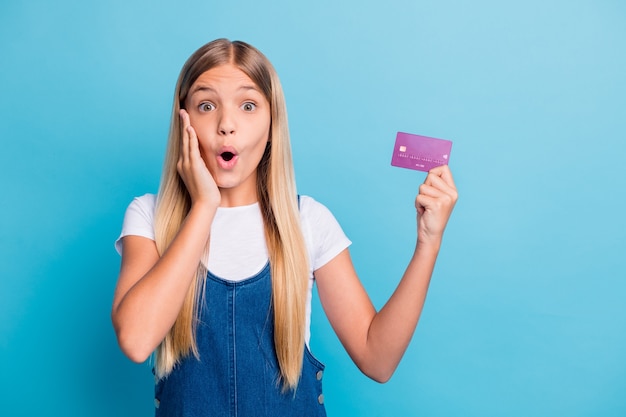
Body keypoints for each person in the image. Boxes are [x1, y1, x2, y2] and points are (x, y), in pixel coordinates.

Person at [112, 38, 457, 416]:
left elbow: (378, 360)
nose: (227, 125)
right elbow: (136, 340)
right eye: (206, 105)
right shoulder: (148, 216)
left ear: (273, 123)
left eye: (248, 106)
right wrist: (203, 207)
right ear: (185, 122)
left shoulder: (308, 222)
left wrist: (428, 243)